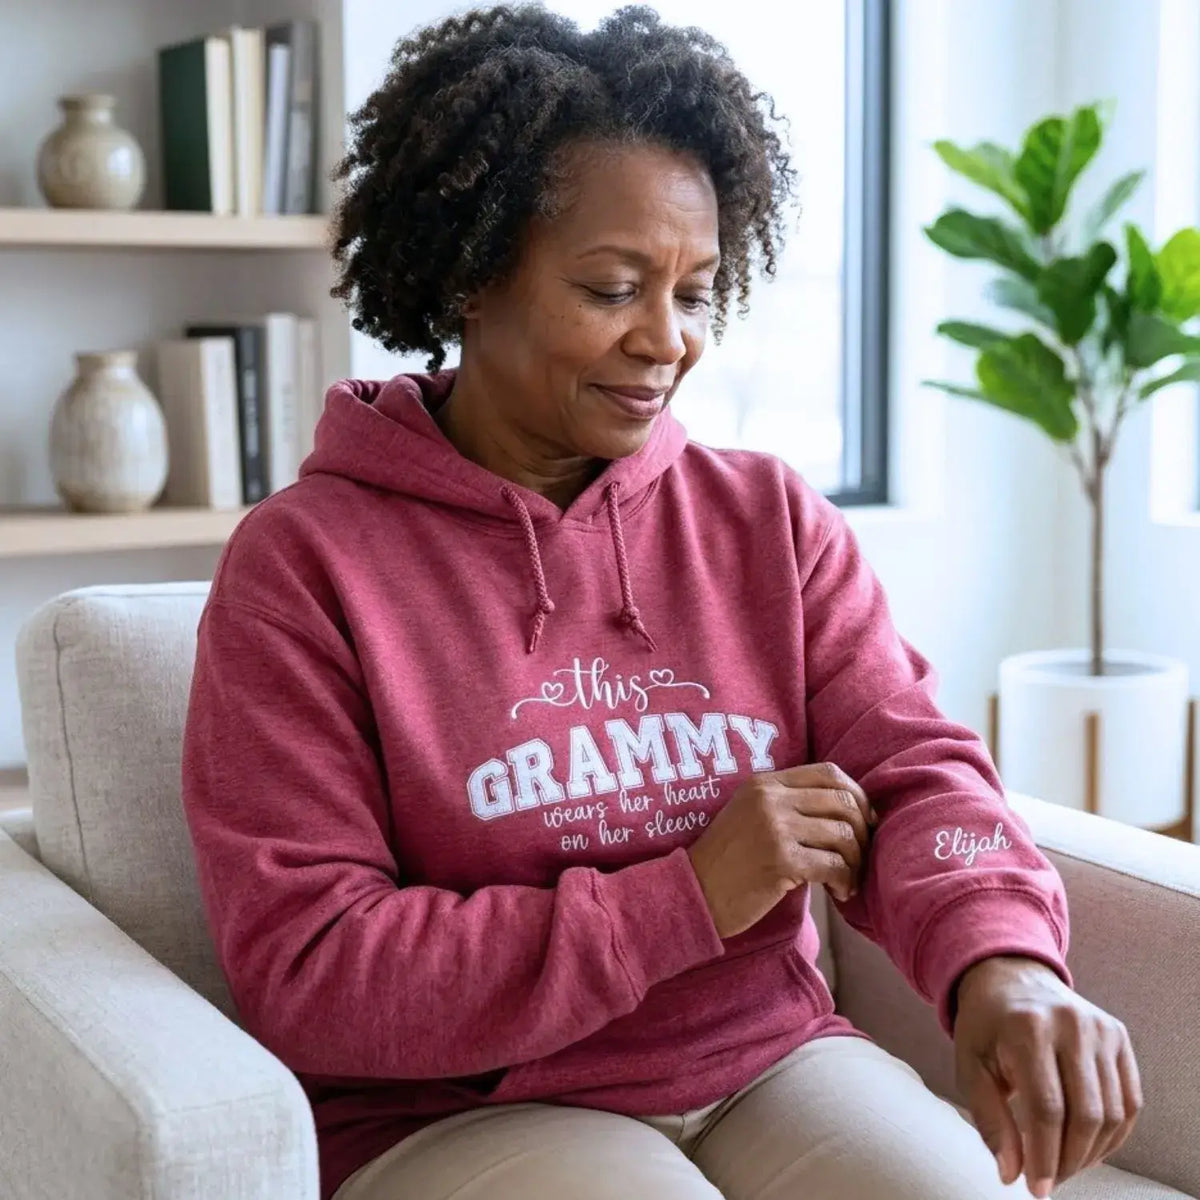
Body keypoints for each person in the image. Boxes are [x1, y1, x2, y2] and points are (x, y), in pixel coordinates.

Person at [180, 6, 1143, 1200]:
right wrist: (686, 900)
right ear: (470, 274)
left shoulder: (765, 519)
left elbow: (914, 772)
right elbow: (313, 968)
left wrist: (1003, 959)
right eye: (613, 287)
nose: (668, 340)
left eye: (695, 292)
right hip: (457, 1113)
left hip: (766, 1060)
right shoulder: (304, 566)